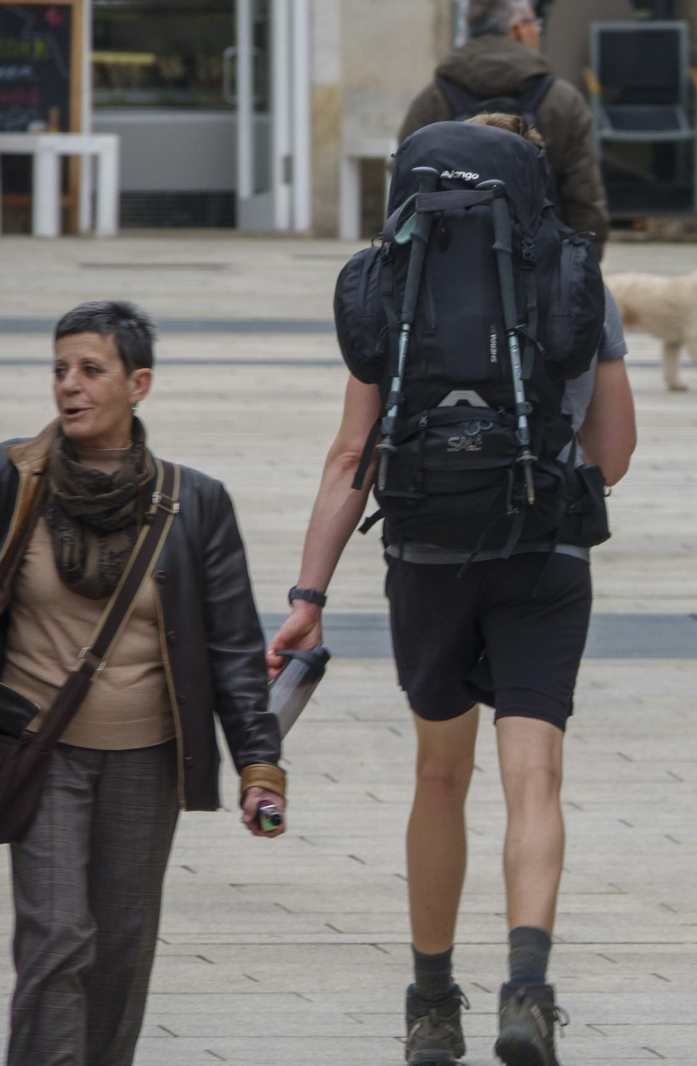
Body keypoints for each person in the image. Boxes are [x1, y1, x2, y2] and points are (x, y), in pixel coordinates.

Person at [269, 113, 637, 1066]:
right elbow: (613, 454)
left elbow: (351, 455)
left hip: (426, 553)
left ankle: (432, 1005)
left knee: (439, 776)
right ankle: (527, 988)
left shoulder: (393, 274)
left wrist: (309, 595)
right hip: (543, 553)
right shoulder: (575, 273)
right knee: (534, 777)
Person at [0, 301, 286, 1066]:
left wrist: (260, 766)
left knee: (120, 950)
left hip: (146, 760)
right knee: (58, 937)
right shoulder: (14, 475)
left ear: (138, 384)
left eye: (91, 370)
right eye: (60, 369)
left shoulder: (197, 502)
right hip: (40, 750)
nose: (70, 385)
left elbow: (232, 646)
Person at [397, 0, 611, 255]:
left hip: (443, 265)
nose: (538, 30)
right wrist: (584, 263)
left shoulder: (433, 99)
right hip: (541, 263)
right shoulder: (561, 100)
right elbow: (584, 194)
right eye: (535, 23)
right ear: (519, 29)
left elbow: (405, 185)